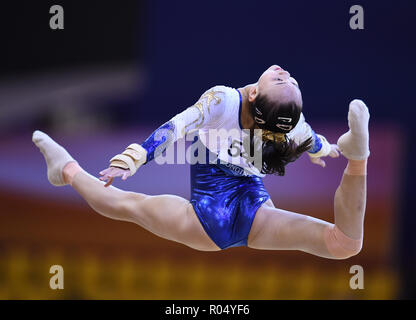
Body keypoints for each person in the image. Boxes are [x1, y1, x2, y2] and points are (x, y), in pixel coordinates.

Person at [33, 65, 370, 259]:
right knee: (345, 246)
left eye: (285, 82)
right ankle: (359, 158)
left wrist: (135, 157)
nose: (287, 75)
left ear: (254, 93)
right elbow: (315, 143)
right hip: (257, 214)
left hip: (209, 222)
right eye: (287, 81)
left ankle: (66, 169)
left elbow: (176, 127)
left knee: (125, 204)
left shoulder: (227, 101)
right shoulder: (285, 120)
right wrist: (326, 151)